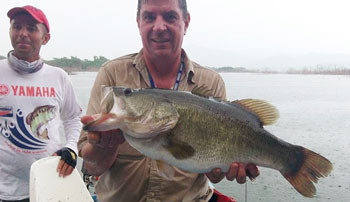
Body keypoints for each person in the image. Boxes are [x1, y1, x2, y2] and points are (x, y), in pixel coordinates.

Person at [78, 0, 260, 201]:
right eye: (149, 17)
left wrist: (227, 165)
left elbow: (214, 176)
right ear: (138, 22)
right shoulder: (112, 75)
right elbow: (93, 166)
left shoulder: (210, 83)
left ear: (186, 22)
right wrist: (103, 146)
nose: (159, 27)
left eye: (170, 17)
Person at [0, 5, 82, 202]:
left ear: (45, 38)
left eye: (31, 28)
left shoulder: (59, 76)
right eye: (16, 26)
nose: (22, 33)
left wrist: (71, 147)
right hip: (4, 190)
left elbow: (73, 117)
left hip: (49, 184)